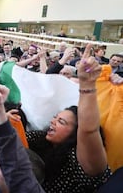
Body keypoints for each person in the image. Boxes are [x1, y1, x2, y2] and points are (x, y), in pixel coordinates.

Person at [26, 44, 111, 192]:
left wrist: (87, 85)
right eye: (55, 118)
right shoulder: (42, 139)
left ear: (75, 133)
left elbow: (88, 130)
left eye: (61, 122)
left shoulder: (78, 161)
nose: (52, 122)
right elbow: (13, 137)